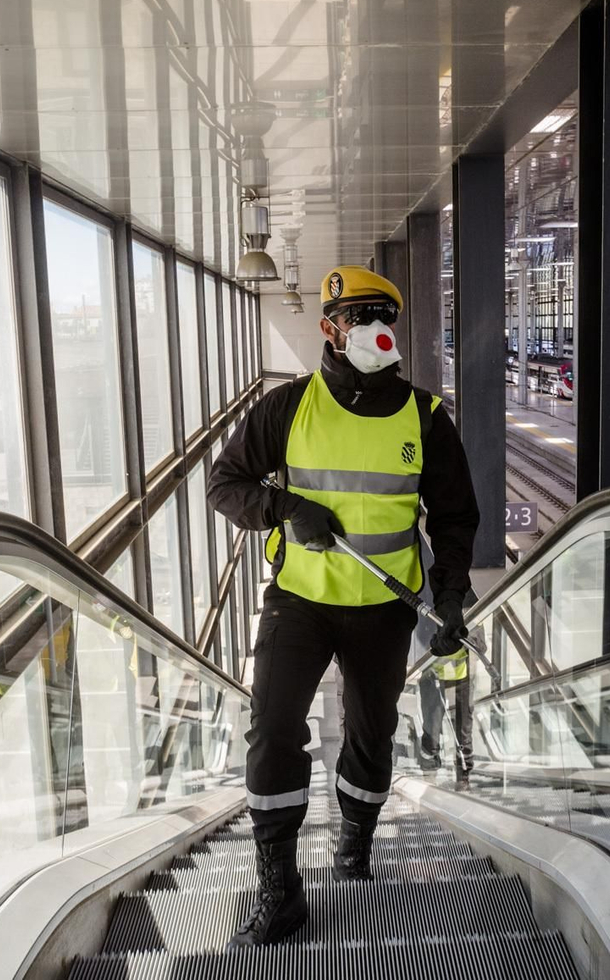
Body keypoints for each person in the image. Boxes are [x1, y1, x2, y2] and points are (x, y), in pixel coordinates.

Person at [207, 265, 481, 947]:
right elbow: (225, 482)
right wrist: (283, 506)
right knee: (274, 729)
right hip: (299, 602)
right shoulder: (288, 407)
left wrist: (450, 594)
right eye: (359, 316)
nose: (375, 329)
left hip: (385, 609)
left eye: (384, 316)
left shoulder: (427, 418)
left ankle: (355, 842)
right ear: (330, 328)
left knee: (371, 734)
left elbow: (455, 517)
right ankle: (279, 889)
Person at [417, 623, 479, 787]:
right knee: (432, 726)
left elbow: (478, 639)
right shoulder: (429, 610)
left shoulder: (467, 609)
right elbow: (420, 634)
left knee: (464, 728)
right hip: (432, 673)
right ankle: (429, 773)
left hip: (463, 675)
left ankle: (463, 775)